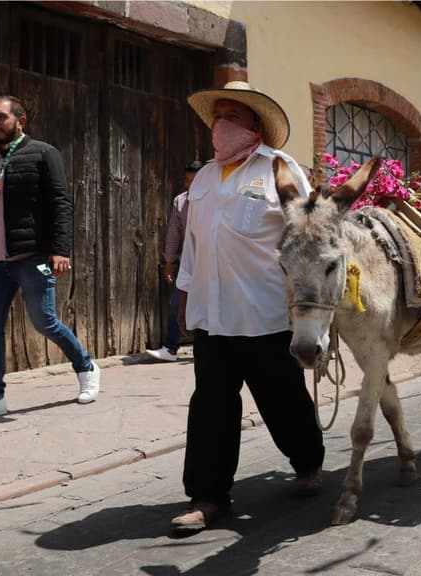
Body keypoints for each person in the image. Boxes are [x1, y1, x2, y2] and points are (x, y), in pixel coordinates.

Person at [171, 81, 325, 532]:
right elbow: (193, 248)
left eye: (232, 116)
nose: (221, 125)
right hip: (212, 314)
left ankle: (308, 462)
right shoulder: (202, 178)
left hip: (265, 313)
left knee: (283, 401)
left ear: (254, 125)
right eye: (217, 116)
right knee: (211, 406)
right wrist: (184, 299)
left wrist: (309, 307)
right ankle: (208, 496)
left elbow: (308, 237)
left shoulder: (280, 168)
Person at [0, 96, 100, 421]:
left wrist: (60, 249)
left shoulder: (44, 153)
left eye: (0, 117)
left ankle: (86, 366)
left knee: (44, 321)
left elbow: (61, 204)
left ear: (20, 121)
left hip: (30, 256)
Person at [146, 161, 203, 362]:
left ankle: (208, 348)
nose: (188, 184)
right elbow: (173, 234)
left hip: (210, 262)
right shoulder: (180, 201)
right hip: (187, 262)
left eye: (193, 180)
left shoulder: (213, 199)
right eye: (186, 180)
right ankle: (170, 348)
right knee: (177, 304)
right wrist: (169, 262)